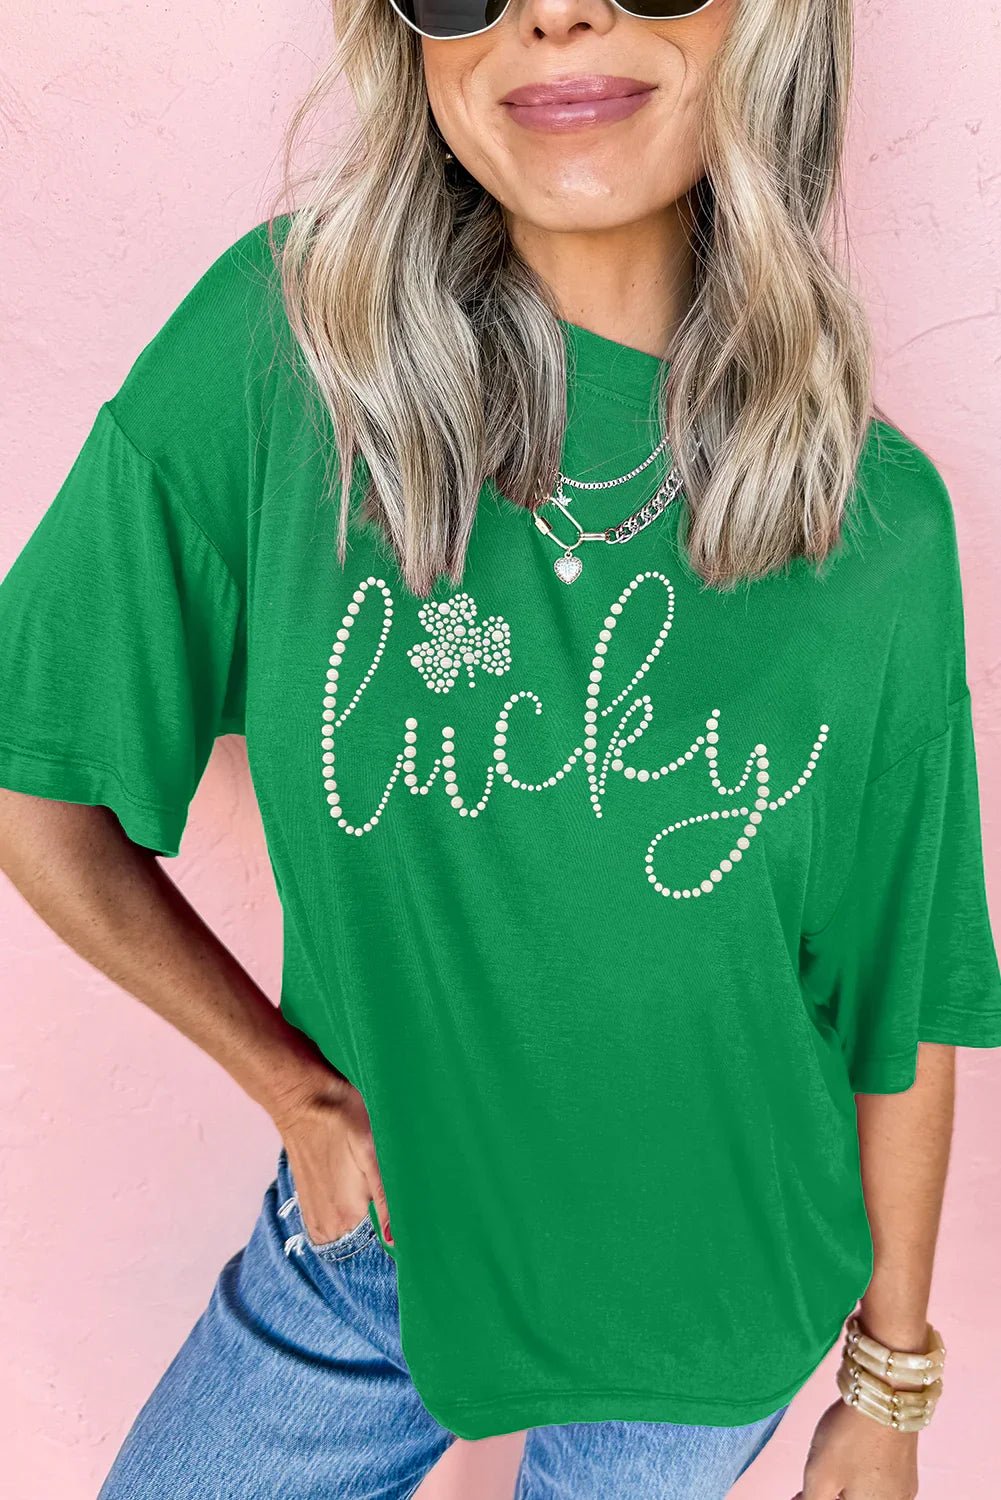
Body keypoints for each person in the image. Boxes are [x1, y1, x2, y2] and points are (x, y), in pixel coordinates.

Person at [1, 0, 999, 1495]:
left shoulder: (877, 524)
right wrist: (291, 1089)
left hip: (714, 1293)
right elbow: (39, 774)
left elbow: (902, 997)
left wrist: (891, 1384)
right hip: (371, 1259)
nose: (555, 9)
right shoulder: (289, 363)